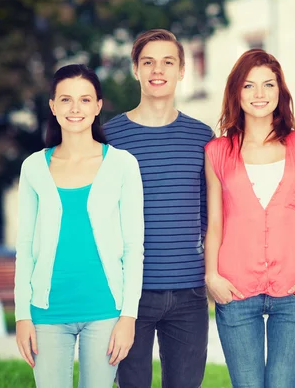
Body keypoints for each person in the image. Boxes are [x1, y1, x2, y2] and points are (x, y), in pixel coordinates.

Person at [14, 64, 144, 388]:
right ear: (53, 106)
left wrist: (128, 317)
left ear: (98, 106)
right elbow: (24, 246)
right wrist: (21, 315)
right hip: (46, 312)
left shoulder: (123, 165)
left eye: (85, 100)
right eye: (66, 100)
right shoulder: (33, 167)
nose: (75, 109)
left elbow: (133, 248)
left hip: (104, 311)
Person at [204, 49, 295, 387]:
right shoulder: (217, 151)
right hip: (235, 288)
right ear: (236, 93)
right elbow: (215, 222)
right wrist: (211, 275)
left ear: (280, 91)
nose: (259, 95)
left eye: (268, 85)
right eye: (249, 86)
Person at [103, 29, 214, 388]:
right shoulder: (109, 138)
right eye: (148, 62)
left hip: (189, 294)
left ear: (182, 70)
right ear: (135, 69)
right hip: (128, 296)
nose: (158, 70)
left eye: (168, 62)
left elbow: (209, 215)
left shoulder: (202, 137)